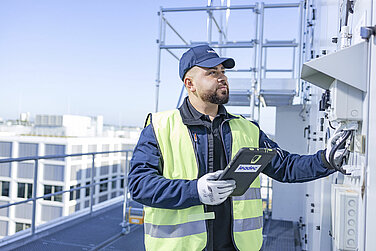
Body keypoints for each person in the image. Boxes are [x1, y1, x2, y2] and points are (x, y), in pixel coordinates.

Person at [128, 45, 338, 251]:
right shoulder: (159, 127)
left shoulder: (247, 129)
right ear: (190, 84)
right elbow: (140, 184)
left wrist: (326, 160)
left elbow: (285, 166)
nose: (222, 77)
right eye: (211, 72)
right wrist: (195, 191)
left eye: (223, 71)